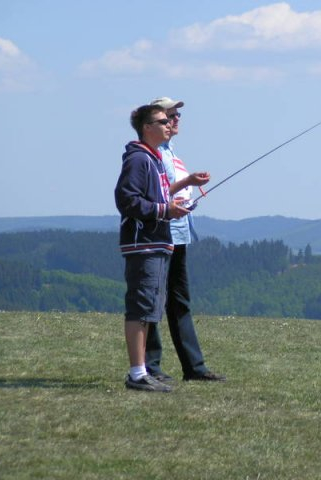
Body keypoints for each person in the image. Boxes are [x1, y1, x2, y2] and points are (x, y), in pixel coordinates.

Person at [114, 104, 210, 392]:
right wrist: (164, 210)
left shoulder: (153, 159)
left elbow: (153, 196)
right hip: (144, 244)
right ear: (147, 127)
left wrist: (171, 204)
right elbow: (126, 200)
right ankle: (137, 374)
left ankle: (142, 372)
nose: (169, 124)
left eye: (169, 120)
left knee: (149, 308)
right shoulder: (139, 159)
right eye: (162, 121)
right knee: (141, 308)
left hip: (157, 242)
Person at [145, 96, 226, 382]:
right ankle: (150, 367)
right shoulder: (153, 152)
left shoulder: (170, 151)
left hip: (178, 232)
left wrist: (189, 187)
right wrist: (189, 182)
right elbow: (156, 190)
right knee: (155, 299)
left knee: (180, 300)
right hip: (160, 233)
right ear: (155, 122)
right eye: (170, 115)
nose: (176, 119)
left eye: (177, 115)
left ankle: (194, 368)